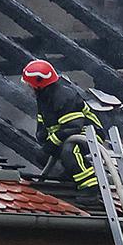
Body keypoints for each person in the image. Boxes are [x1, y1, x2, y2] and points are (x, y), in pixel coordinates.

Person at [21, 59, 102, 192]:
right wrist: (43, 137)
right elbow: (44, 122)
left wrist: (52, 142)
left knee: (69, 151)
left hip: (88, 134)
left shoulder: (64, 96)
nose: (29, 88)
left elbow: (74, 127)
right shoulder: (44, 98)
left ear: (39, 84)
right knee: (42, 156)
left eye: (30, 85)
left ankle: (90, 187)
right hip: (65, 135)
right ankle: (71, 179)